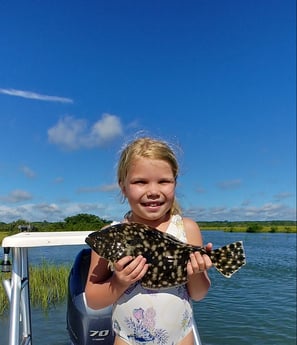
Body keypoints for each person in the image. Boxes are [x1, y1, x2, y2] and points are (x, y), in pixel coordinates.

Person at [85, 136, 213, 345]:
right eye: (140, 182)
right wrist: (119, 282)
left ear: (175, 183)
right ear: (123, 187)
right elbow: (93, 300)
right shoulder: (110, 234)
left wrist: (197, 273)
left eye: (163, 181)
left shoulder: (187, 228)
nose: (153, 191)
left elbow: (198, 294)